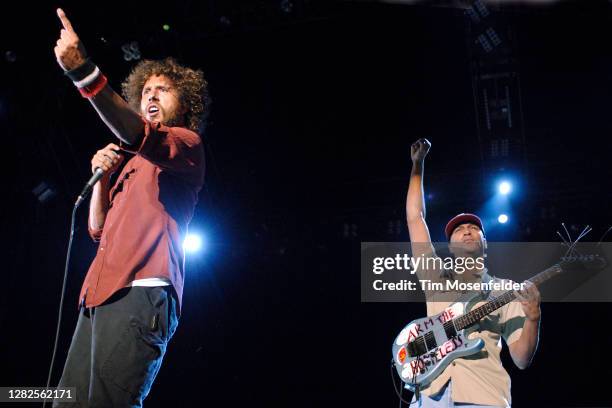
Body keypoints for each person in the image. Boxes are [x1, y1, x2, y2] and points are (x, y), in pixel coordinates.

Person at [52, 8, 209, 407]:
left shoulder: (185, 145)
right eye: (145, 91)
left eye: (163, 90)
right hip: (97, 296)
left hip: (141, 290)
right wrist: (102, 177)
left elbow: (139, 134)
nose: (151, 95)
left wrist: (84, 73)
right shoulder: (127, 165)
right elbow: (98, 231)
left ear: (185, 104)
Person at [405, 138, 541, 408]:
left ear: (485, 243)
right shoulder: (436, 278)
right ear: (451, 246)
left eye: (474, 228)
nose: (467, 230)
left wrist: (534, 318)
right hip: (430, 394)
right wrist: (418, 165)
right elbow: (414, 217)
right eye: (458, 229)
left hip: (484, 395)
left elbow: (521, 359)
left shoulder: (505, 290)